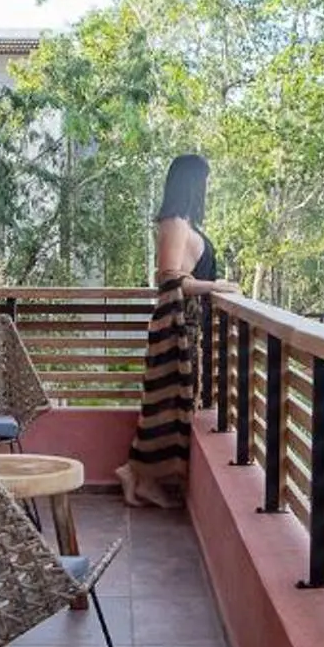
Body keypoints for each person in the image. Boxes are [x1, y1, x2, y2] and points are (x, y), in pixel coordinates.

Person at [117, 155, 217, 508]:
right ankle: (136, 473)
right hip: (176, 325)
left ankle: (139, 476)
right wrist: (219, 287)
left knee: (171, 401)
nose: (208, 187)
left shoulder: (184, 223)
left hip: (188, 325)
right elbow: (169, 278)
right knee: (166, 401)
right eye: (204, 180)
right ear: (191, 183)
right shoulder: (174, 223)